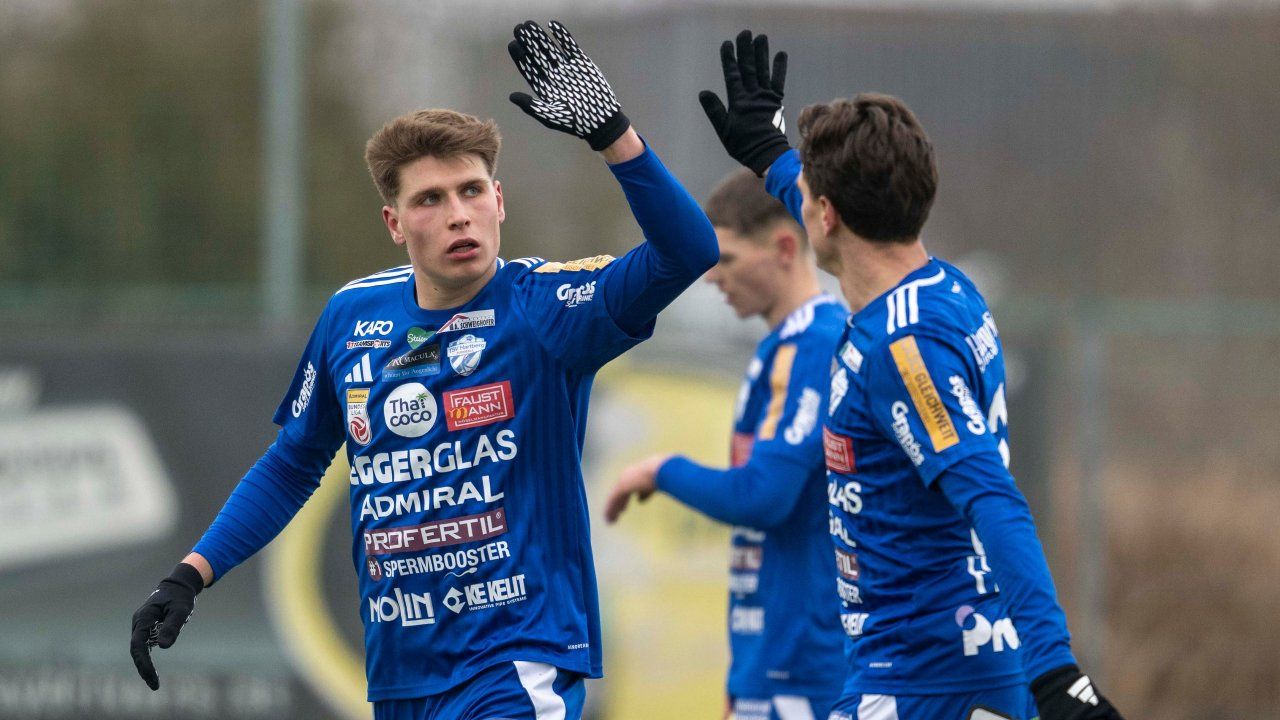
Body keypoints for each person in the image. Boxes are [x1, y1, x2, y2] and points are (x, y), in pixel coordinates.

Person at [128, 20, 718, 720]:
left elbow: (688, 252)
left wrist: (614, 136)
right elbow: (293, 463)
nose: (458, 215)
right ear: (394, 223)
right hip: (401, 674)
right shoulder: (352, 316)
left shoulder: (546, 307)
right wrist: (189, 577)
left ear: (499, 201)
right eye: (431, 200)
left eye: (472, 191)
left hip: (515, 663)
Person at [697, 31, 1127, 720]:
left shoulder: (899, 348)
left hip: (926, 687)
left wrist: (1059, 675)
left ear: (826, 217)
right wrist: (771, 156)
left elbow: (992, 498)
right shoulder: (943, 286)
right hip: (921, 672)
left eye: (805, 193)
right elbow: (822, 199)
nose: (797, 197)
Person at [605, 168, 846, 720]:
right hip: (770, 660)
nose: (712, 278)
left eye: (729, 259)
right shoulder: (779, 346)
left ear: (785, 247)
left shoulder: (816, 344)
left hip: (807, 666)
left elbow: (763, 496)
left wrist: (662, 469)